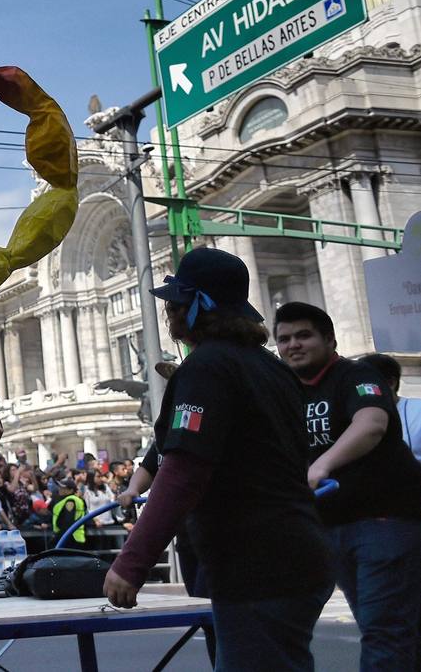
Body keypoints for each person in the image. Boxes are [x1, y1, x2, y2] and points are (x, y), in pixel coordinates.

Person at [105, 247, 332, 671]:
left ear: (192, 308)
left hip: (257, 564)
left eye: (174, 303)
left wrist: (132, 561)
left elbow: (182, 472)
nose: (168, 312)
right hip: (295, 553)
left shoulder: (206, 368)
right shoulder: (271, 368)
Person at [274, 302, 421, 671]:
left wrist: (323, 463)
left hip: (384, 521)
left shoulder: (356, 376)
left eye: (303, 335)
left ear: (329, 339)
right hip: (330, 527)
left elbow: (371, 424)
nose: (293, 344)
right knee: (394, 629)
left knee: (384, 630)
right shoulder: (286, 391)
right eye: (284, 338)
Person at [361, 352, 421, 462]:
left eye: (368, 385)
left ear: (391, 383)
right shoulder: (353, 418)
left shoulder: (418, 410)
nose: (362, 391)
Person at [50, 478, 85, 545]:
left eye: (63, 488)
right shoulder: (67, 499)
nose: (60, 489)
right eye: (59, 487)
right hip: (70, 536)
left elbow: (68, 522)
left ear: (71, 490)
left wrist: (57, 537)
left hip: (69, 537)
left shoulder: (70, 501)